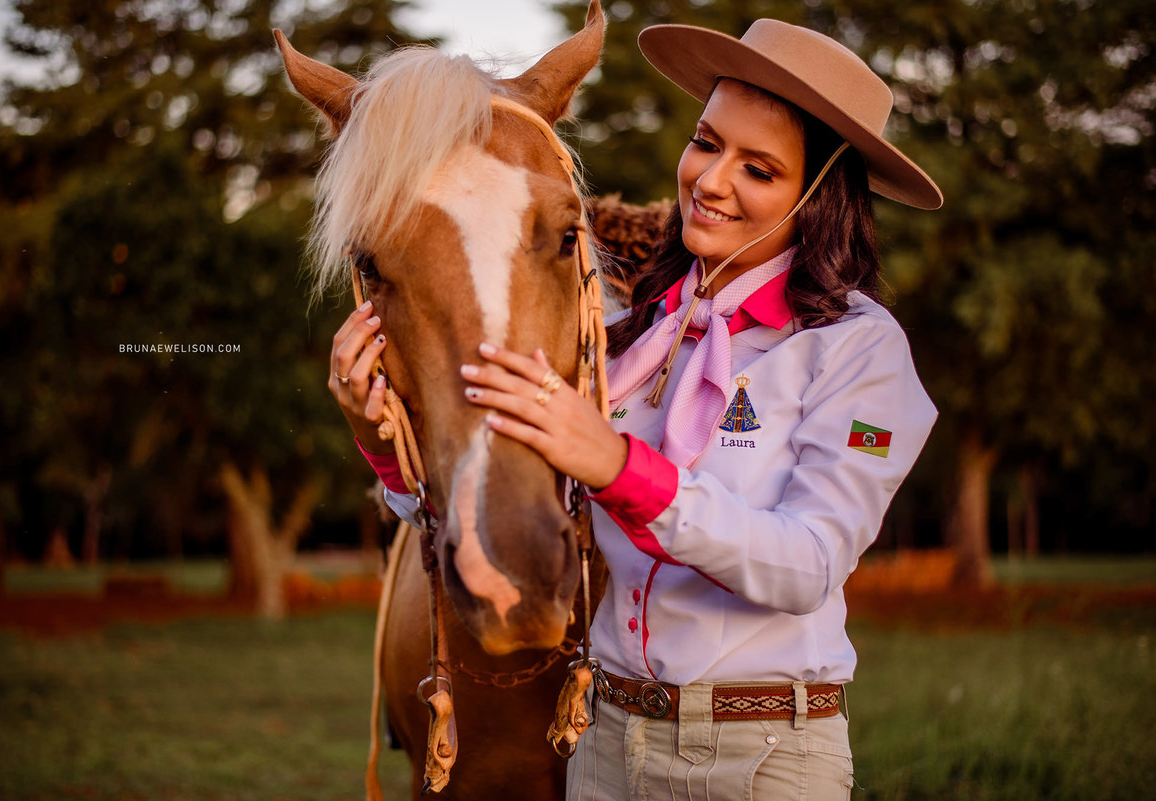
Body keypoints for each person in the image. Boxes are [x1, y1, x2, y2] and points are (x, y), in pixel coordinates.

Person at [332, 17, 941, 801]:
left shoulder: (857, 351)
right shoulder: (620, 335)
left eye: (758, 168)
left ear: (818, 195)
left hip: (760, 756)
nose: (712, 180)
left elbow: (808, 564)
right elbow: (490, 505)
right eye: (706, 141)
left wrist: (621, 466)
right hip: (607, 744)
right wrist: (380, 437)